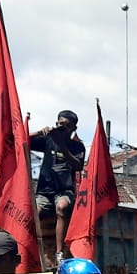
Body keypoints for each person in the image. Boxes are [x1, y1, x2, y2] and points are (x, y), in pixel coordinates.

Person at [30, 110, 86, 258]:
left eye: (66, 126)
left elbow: (78, 165)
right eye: (60, 124)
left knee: (62, 207)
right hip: (44, 191)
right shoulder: (48, 141)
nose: (62, 128)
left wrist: (63, 146)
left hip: (64, 190)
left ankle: (59, 253)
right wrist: (39, 132)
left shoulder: (77, 147)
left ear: (73, 128)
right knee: (32, 214)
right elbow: (21, 140)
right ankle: (29, 249)